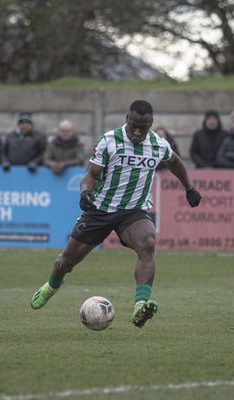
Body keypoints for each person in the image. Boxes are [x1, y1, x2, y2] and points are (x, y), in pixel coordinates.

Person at [30, 100, 202, 328]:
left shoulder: (158, 144)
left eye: (144, 127)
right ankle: (51, 286)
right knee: (67, 262)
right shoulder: (109, 141)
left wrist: (189, 187)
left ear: (151, 123)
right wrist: (85, 193)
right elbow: (90, 175)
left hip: (133, 211)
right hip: (100, 210)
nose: (138, 132)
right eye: (134, 126)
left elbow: (175, 162)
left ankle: (141, 304)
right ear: (126, 119)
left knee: (148, 243)